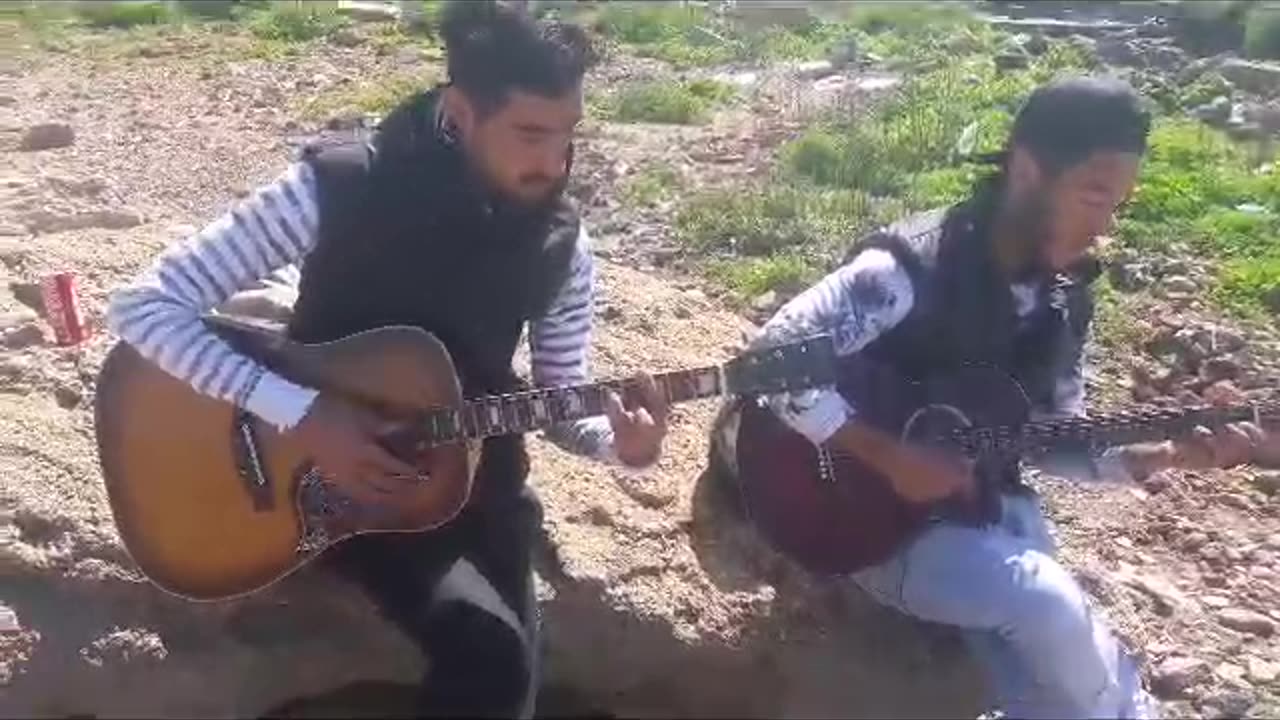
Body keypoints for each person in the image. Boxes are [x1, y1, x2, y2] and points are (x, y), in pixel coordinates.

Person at [104, 2, 667, 717]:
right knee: (488, 655)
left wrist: (619, 444)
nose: (555, 163)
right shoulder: (338, 187)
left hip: (478, 488)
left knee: (510, 685)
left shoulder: (563, 247)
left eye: (568, 136)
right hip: (318, 480)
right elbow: (144, 307)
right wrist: (304, 415)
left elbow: (562, 396)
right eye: (531, 135)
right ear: (461, 111)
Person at [723, 76, 1265, 719]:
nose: (1105, 224)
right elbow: (765, 362)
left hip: (980, 506)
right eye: (1094, 195)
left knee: (1044, 669)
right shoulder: (906, 271)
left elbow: (1056, 439)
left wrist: (1165, 456)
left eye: (1117, 203)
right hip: (857, 516)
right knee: (1044, 601)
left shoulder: (1062, 301)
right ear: (1029, 169)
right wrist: (886, 453)